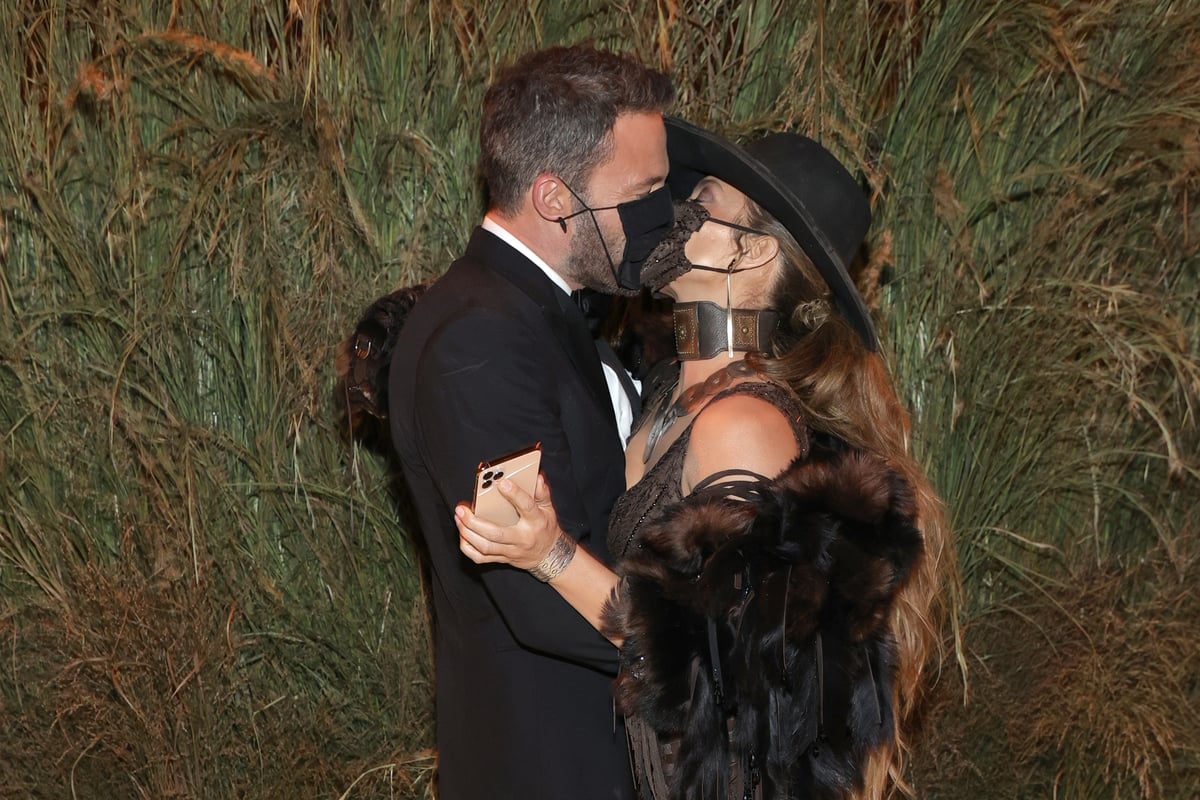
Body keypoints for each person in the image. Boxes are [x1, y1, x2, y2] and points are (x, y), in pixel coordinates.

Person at [455, 117, 950, 799]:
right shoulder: (665, 393)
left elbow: (714, 658)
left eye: (702, 205)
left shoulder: (740, 425)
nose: (671, 216)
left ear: (749, 256)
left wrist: (551, 556)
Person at [380, 45, 675, 800]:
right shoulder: (480, 340)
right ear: (553, 197)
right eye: (640, 195)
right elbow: (535, 592)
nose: (659, 217)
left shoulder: (537, 309)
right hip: (551, 766)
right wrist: (700, 650)